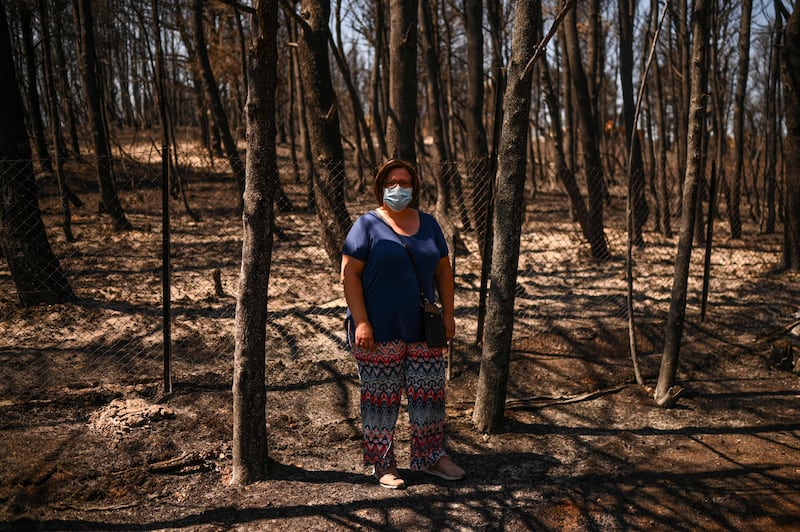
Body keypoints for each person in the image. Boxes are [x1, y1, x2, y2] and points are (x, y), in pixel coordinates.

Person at [340, 159, 466, 490]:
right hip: (377, 330)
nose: (398, 188)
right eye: (392, 182)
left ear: (414, 187)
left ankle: (431, 457)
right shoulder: (366, 225)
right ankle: (382, 461)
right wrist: (362, 321)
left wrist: (449, 314)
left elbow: (443, 271)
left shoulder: (428, 224)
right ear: (381, 187)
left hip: (424, 329)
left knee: (429, 395)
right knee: (380, 397)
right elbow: (349, 275)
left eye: (405, 182)